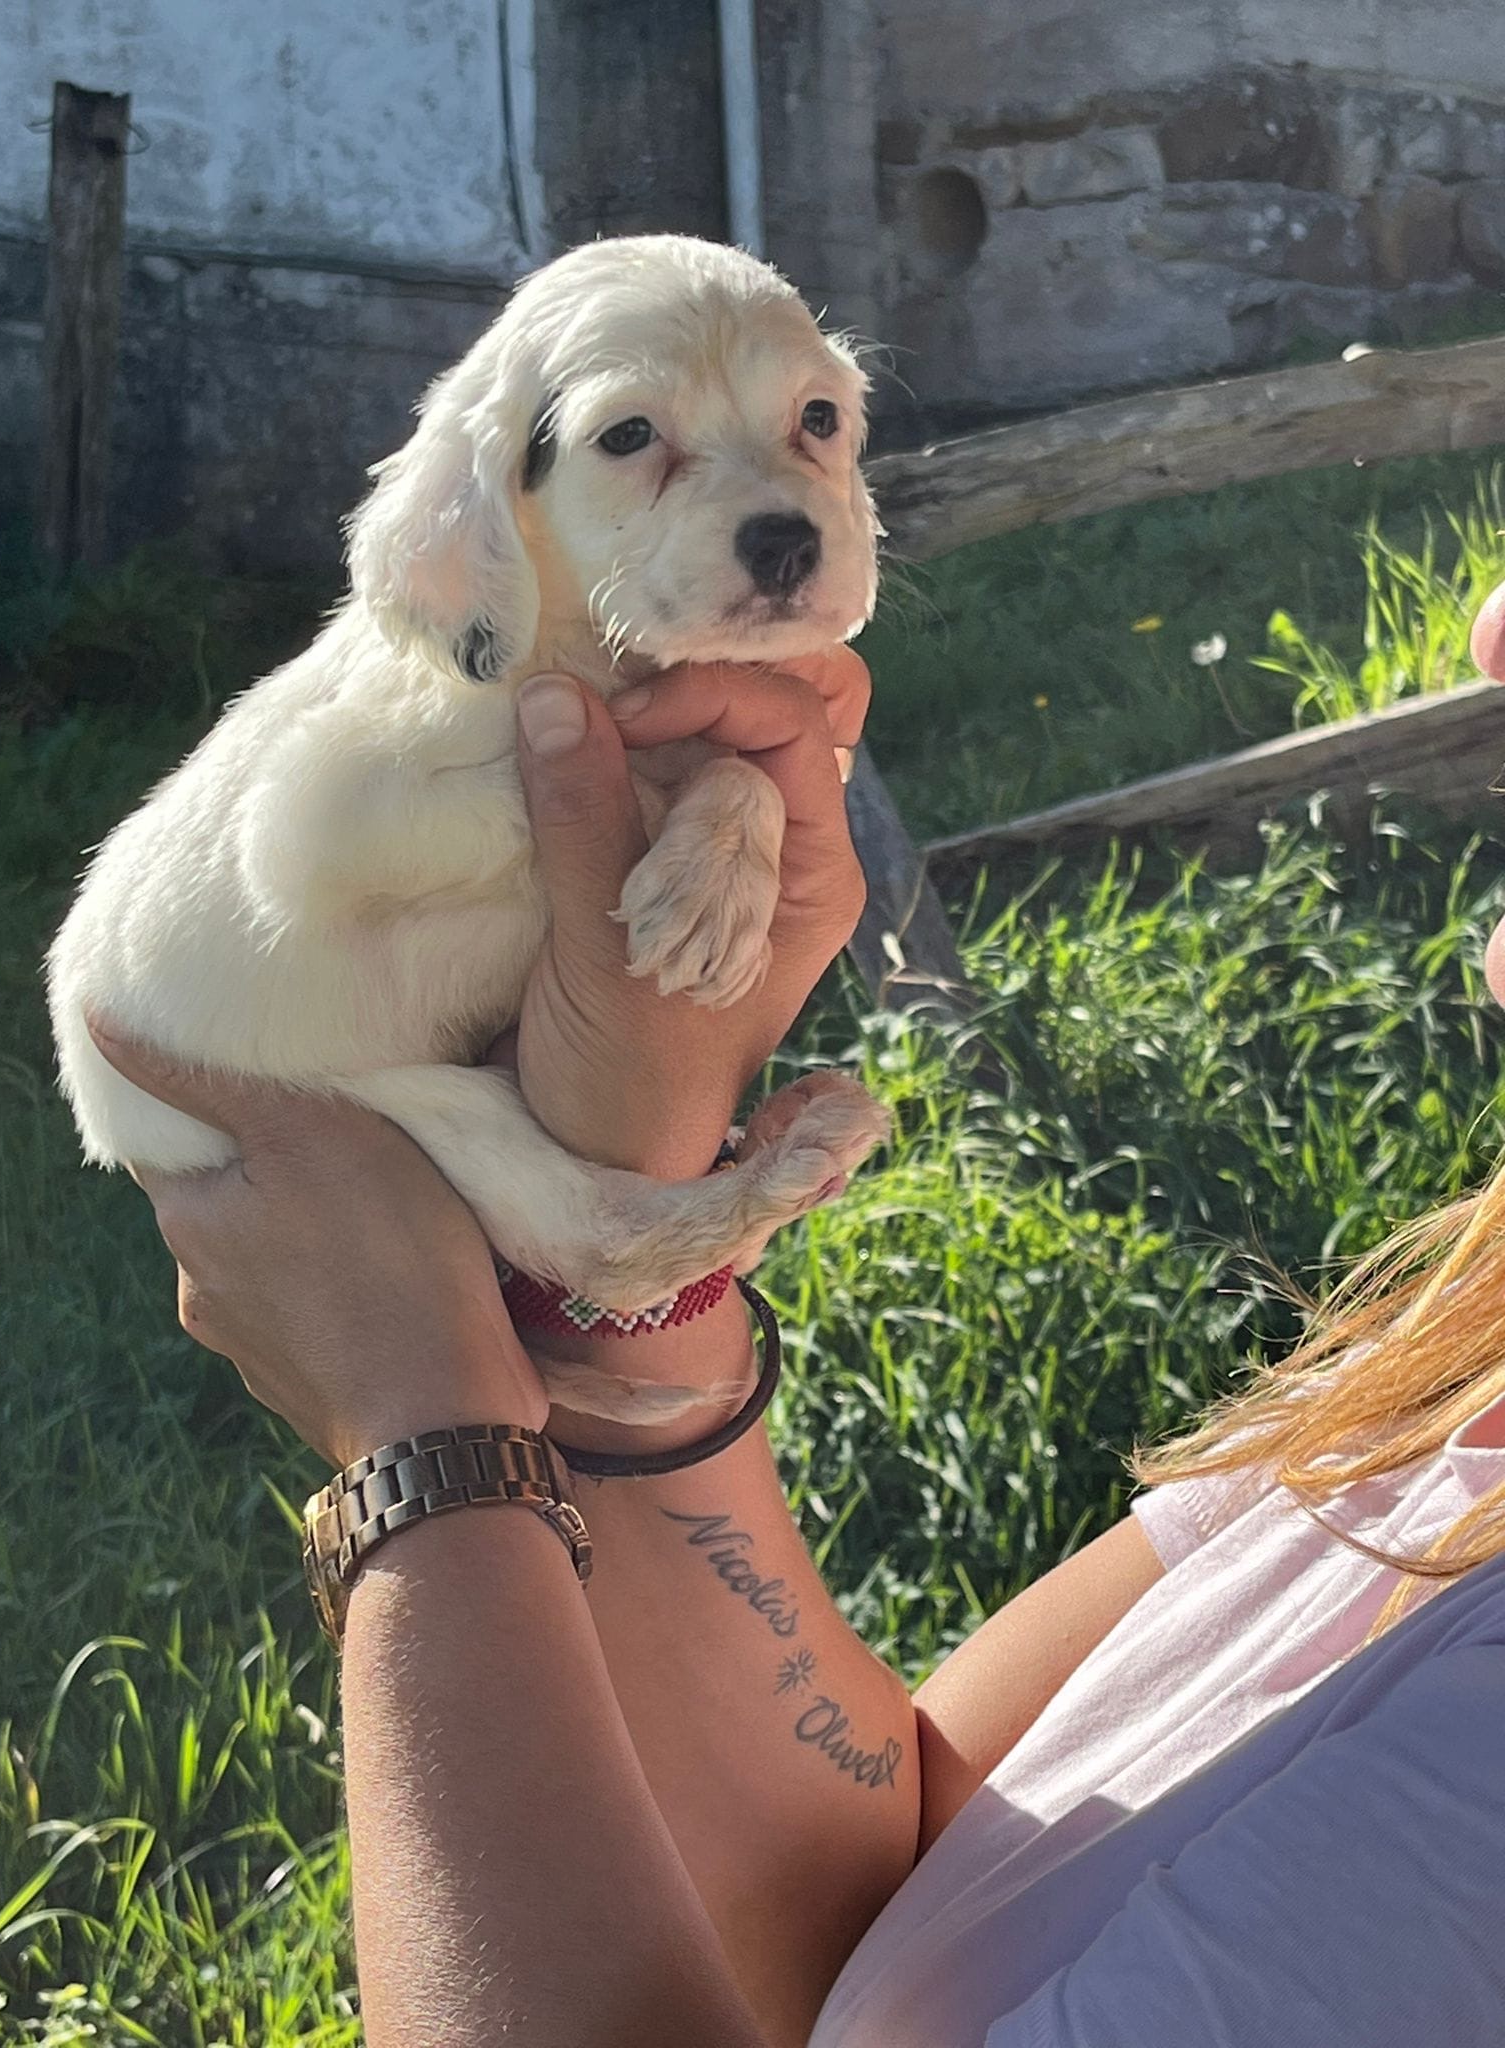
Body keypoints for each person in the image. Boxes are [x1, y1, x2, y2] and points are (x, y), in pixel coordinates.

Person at [90, 605, 1505, 2048]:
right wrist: (627, 1206)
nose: (1495, 628)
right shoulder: (1470, 1372)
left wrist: (428, 1450)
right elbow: (906, 1867)